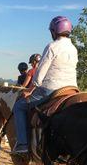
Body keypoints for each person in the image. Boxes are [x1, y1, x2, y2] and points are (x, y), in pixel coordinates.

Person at [12, 16, 78, 155]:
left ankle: (23, 145)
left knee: (19, 106)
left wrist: (30, 89)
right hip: (72, 89)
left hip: (51, 89)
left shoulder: (52, 46)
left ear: (54, 31)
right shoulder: (73, 48)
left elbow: (40, 72)